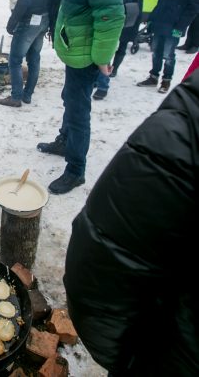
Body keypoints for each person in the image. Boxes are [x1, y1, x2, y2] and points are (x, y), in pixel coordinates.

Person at [63, 67, 199, 376]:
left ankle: (74, 164)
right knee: (72, 106)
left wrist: (124, 361)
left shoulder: (186, 127)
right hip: (170, 355)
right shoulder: (188, 124)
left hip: (166, 357)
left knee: (77, 108)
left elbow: (103, 256)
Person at [36, 0, 135, 194]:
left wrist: (103, 57)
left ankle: (75, 169)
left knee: (78, 110)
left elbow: (110, 13)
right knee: (71, 98)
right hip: (78, 48)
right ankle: (66, 141)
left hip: (87, 53)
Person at [137, 0, 199, 93]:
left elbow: (193, 6)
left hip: (175, 22)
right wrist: (154, 16)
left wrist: (181, 26)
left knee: (168, 53)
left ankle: (166, 80)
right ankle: (153, 76)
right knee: (156, 50)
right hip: (161, 18)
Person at [92, 0, 138, 98]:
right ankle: (97, 80)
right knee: (99, 47)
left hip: (113, 9)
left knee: (105, 48)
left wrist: (115, 5)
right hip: (104, 6)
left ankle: (103, 85)